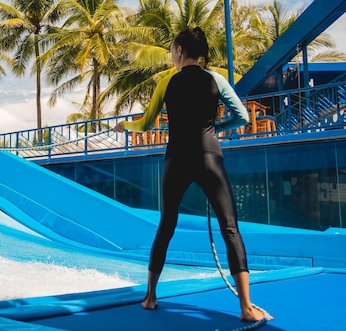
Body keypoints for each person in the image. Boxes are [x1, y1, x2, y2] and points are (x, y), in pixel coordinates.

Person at [113, 27, 271, 323]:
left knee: (166, 226)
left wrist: (125, 126)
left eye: (173, 50)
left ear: (181, 51)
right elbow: (243, 117)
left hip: (177, 160)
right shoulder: (217, 79)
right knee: (230, 227)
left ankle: (149, 297)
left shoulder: (166, 82)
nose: (173, 55)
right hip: (210, 156)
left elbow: (146, 124)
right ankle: (247, 307)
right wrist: (215, 132)